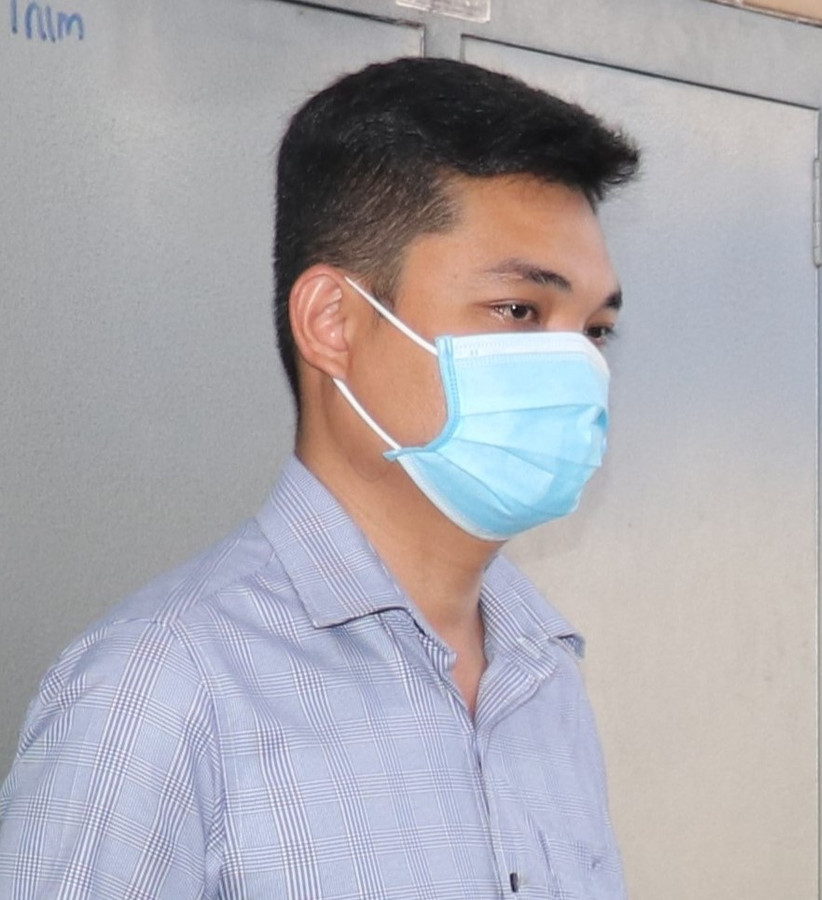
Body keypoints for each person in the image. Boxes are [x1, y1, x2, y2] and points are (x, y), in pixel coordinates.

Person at [0, 57, 639, 898]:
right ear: (333, 323)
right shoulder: (157, 691)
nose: (575, 367)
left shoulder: (539, 671)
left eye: (594, 331)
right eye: (519, 311)